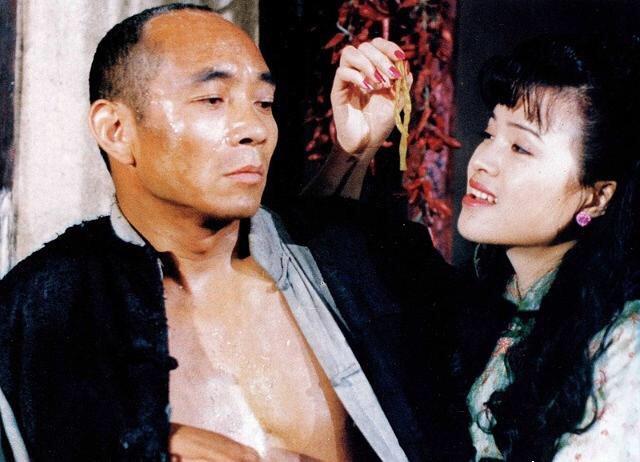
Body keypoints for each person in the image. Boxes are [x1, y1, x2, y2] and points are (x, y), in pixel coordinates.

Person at [0, 4, 460, 461]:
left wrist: (353, 154)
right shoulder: (42, 312)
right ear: (117, 129)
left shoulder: (354, 269)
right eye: (212, 100)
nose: (254, 129)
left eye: (264, 103)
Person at [320, 34, 640, 461]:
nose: (483, 160)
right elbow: (315, 273)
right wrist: (355, 151)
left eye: (521, 147)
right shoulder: (477, 306)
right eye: (490, 134)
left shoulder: (624, 344)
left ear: (596, 197)